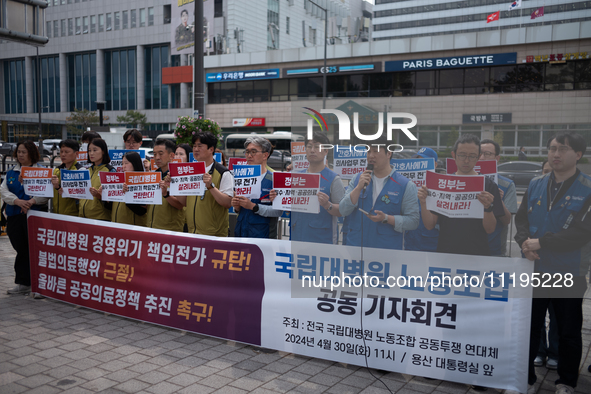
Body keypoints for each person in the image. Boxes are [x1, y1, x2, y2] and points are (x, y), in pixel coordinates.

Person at [515, 131, 591, 394]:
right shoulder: (536, 184)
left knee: (569, 330)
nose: (556, 154)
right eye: (552, 149)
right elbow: (522, 218)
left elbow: (582, 232)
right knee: (529, 325)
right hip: (535, 268)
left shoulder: (589, 188)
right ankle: (524, 377)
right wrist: (524, 243)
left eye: (563, 149)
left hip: (569, 270)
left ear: (578, 155)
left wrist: (542, 243)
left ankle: (566, 381)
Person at [418, 134, 504, 256]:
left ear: (478, 157)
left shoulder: (488, 185)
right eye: (462, 155)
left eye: (472, 156)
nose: (466, 160)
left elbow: (490, 229)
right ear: (454, 155)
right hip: (446, 253)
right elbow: (429, 225)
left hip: (477, 254)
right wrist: (423, 202)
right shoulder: (442, 183)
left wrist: (488, 208)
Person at [340, 140, 419, 249]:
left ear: (389, 153)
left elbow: (413, 221)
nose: (371, 156)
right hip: (355, 247)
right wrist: (358, 188)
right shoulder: (358, 178)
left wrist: (387, 218)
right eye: (368, 152)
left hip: (386, 251)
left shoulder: (405, 185)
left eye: (376, 151)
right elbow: (343, 210)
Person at [277, 132, 344, 244]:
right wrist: (278, 198)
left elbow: (342, 211)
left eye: (317, 146)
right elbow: (290, 207)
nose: (312, 150)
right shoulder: (297, 177)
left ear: (326, 151)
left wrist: (328, 205)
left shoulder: (333, 179)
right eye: (309, 146)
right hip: (296, 237)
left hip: (322, 240)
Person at [1, 141, 49, 295]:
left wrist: (31, 202)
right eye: (18, 152)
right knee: (21, 249)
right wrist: (17, 201)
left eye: (24, 152)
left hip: (34, 216)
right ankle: (23, 282)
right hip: (15, 215)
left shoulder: (42, 171)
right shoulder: (11, 172)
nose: (20, 155)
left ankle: (38, 285)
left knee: (34, 249)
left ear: (32, 153)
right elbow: (4, 191)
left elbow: (45, 193)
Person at [177, 132, 233, 236]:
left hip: (214, 235)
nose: (196, 149)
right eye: (194, 146)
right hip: (192, 232)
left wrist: (211, 187)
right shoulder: (190, 171)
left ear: (211, 149)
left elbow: (228, 203)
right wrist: (174, 185)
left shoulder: (223, 172)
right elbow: (186, 202)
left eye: (200, 146)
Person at [232, 136, 282, 239]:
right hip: (241, 233)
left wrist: (254, 207)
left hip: (263, 236)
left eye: (253, 152)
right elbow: (238, 209)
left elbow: (278, 211)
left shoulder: (275, 179)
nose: (249, 156)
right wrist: (236, 207)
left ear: (265, 155)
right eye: (247, 152)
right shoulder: (241, 177)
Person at [480, 139, 516, 256]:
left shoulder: (507, 184)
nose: (482, 157)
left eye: (487, 154)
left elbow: (506, 220)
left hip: (494, 250)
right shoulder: (464, 180)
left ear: (497, 158)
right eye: (479, 153)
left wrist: (498, 200)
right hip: (467, 248)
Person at [404, 147, 440, 252]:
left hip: (430, 244)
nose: (420, 163)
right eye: (418, 160)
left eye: (424, 161)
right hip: (410, 242)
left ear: (435, 165)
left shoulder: (440, 186)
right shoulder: (410, 184)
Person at [146, 139, 185, 231]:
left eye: (161, 153)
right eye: (155, 154)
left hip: (170, 230)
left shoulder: (179, 176)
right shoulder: (153, 175)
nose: (157, 157)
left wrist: (166, 194)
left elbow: (181, 205)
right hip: (151, 227)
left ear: (171, 155)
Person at [100, 152, 147, 226]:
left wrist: (127, 194)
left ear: (135, 163)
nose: (123, 166)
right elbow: (112, 207)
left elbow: (142, 211)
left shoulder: (144, 183)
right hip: (117, 226)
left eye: (126, 163)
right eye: (122, 163)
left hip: (133, 228)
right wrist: (106, 197)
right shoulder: (120, 181)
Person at [80, 138, 116, 220]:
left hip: (100, 218)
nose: (91, 153)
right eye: (89, 150)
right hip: (82, 216)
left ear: (103, 151)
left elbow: (113, 199)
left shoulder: (110, 170)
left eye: (95, 150)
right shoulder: (87, 170)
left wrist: (99, 195)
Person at [51, 139, 82, 216]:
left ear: (76, 153)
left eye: (66, 152)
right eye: (61, 152)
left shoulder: (81, 171)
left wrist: (59, 187)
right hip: (56, 214)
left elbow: (83, 196)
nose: (63, 155)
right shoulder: (56, 170)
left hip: (73, 216)